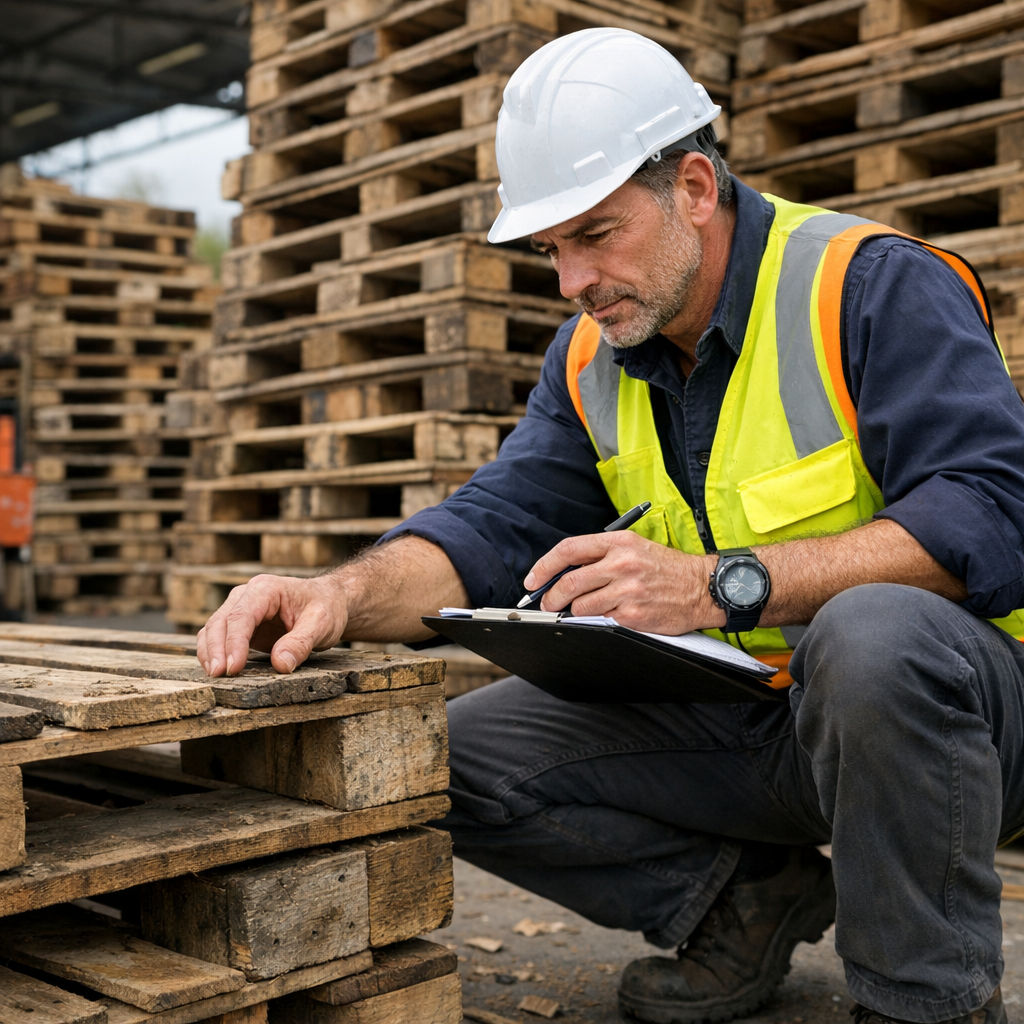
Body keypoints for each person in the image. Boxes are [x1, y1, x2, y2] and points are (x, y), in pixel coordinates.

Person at [197, 27, 1024, 1024]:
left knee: (873, 636)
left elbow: (989, 513)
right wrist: (338, 594)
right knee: (442, 761)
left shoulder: (866, 285)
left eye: (594, 234)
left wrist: (716, 583)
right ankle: (743, 902)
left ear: (691, 187)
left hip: (960, 728)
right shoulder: (592, 358)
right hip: (767, 720)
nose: (571, 281)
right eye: (553, 248)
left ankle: (922, 1003)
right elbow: (491, 527)